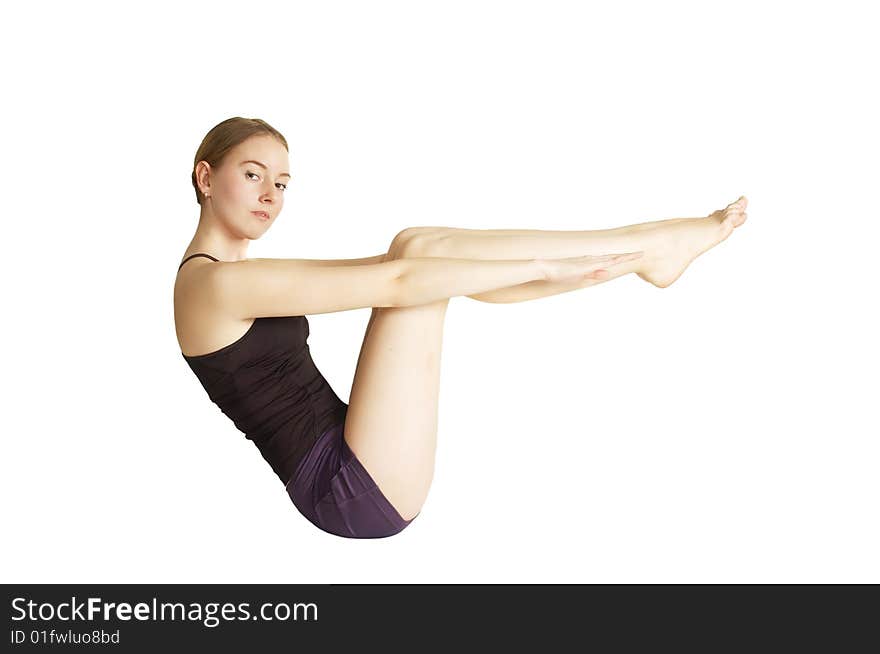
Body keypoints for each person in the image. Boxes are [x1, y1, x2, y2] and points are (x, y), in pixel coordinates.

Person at [174, 116, 748, 539]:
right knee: (419, 262)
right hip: (348, 490)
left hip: (359, 449)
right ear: (206, 177)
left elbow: (399, 270)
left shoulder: (236, 276)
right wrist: (546, 267)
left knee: (419, 249)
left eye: (282, 182)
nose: (271, 195)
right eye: (253, 175)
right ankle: (647, 248)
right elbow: (400, 284)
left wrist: (561, 273)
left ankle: (644, 251)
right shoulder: (212, 287)